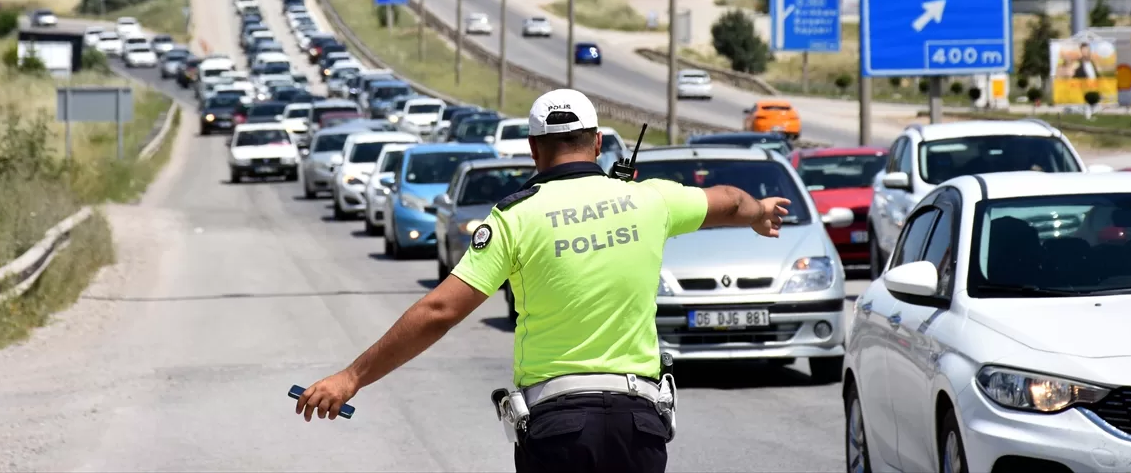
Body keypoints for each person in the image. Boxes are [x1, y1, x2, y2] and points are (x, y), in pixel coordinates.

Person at [294, 88, 790, 473]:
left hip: (559, 428)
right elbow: (727, 198)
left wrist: (352, 377)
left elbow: (439, 311)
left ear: (533, 149)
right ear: (598, 142)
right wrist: (759, 213)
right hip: (639, 425)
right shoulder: (652, 200)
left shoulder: (515, 218)